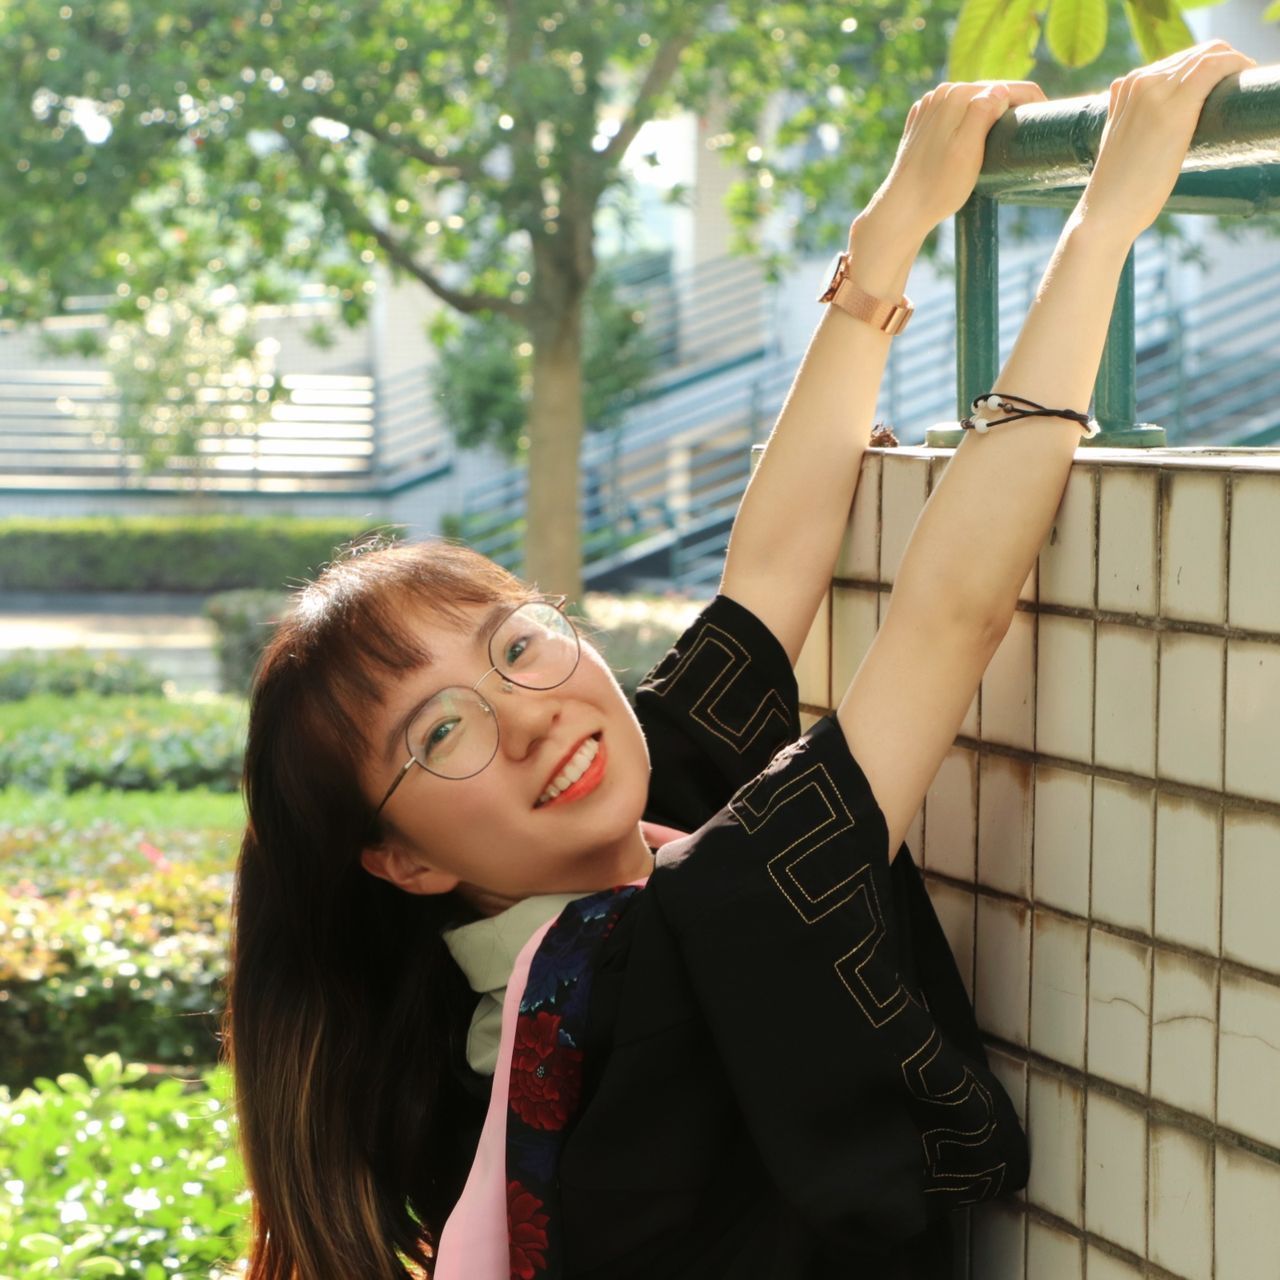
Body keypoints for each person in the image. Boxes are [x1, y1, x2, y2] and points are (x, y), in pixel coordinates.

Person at [224, 40, 1256, 1280]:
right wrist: (1100, 228)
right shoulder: (690, 930)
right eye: (441, 731)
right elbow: (946, 618)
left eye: (518, 644)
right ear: (401, 859)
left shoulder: (561, 924)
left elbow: (765, 580)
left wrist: (888, 234)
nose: (529, 714)